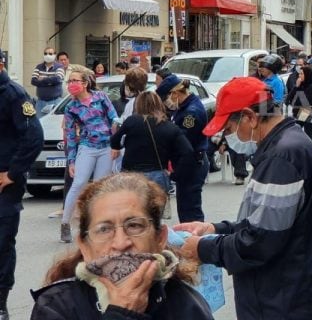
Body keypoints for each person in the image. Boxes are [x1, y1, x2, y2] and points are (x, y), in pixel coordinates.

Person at [174, 77, 312, 319]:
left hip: (286, 302)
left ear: (250, 117)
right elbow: (264, 223)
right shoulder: (285, 147)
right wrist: (216, 228)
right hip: (287, 295)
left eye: (229, 130)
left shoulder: (282, 157)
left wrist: (203, 248)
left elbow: (260, 241)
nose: (229, 139)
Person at [31, 173, 214, 319]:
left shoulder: (186, 305)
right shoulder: (56, 308)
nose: (120, 243)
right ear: (85, 246)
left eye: (134, 226)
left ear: (160, 239)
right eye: (104, 229)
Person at [0, 48, 44, 320]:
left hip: (4, 183)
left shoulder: (13, 95)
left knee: (2, 242)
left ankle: (1, 301)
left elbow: (34, 137)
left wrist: (13, 173)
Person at [61, 66, 119, 243]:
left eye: (75, 81)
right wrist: (71, 160)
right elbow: (70, 136)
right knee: (78, 183)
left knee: (100, 187)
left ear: (85, 83)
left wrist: (116, 144)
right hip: (87, 146)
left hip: (106, 146)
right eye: (69, 81)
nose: (71, 84)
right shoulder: (71, 108)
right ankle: (65, 223)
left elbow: (114, 118)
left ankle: (96, 225)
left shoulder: (101, 97)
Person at [110, 91, 195, 194]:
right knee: (156, 209)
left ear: (138, 105)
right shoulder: (170, 127)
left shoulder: (131, 121)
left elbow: (115, 139)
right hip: (158, 174)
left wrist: (117, 147)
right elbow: (188, 151)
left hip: (131, 175)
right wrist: (174, 175)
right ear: (159, 104)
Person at [155, 75, 208, 222]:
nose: (167, 103)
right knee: (185, 207)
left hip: (192, 164)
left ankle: (196, 241)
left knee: (190, 210)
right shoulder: (184, 107)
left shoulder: (191, 113)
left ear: (175, 94)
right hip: (187, 163)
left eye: (166, 98)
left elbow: (183, 142)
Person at [286, 66, 312, 140]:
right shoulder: (300, 85)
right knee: (296, 135)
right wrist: (296, 87)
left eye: (301, 74)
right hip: (297, 112)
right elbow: (289, 98)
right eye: (299, 74)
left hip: (306, 112)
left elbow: (306, 102)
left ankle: (309, 151)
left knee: (308, 136)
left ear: (307, 74)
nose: (299, 76)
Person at [31, 47, 65, 115]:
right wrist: (50, 81)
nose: (47, 55)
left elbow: (57, 79)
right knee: (40, 123)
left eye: (50, 53)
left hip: (54, 101)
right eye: (45, 53)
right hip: (40, 102)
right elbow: (33, 81)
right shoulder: (39, 67)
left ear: (55, 55)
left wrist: (43, 79)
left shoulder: (59, 67)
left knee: (53, 123)